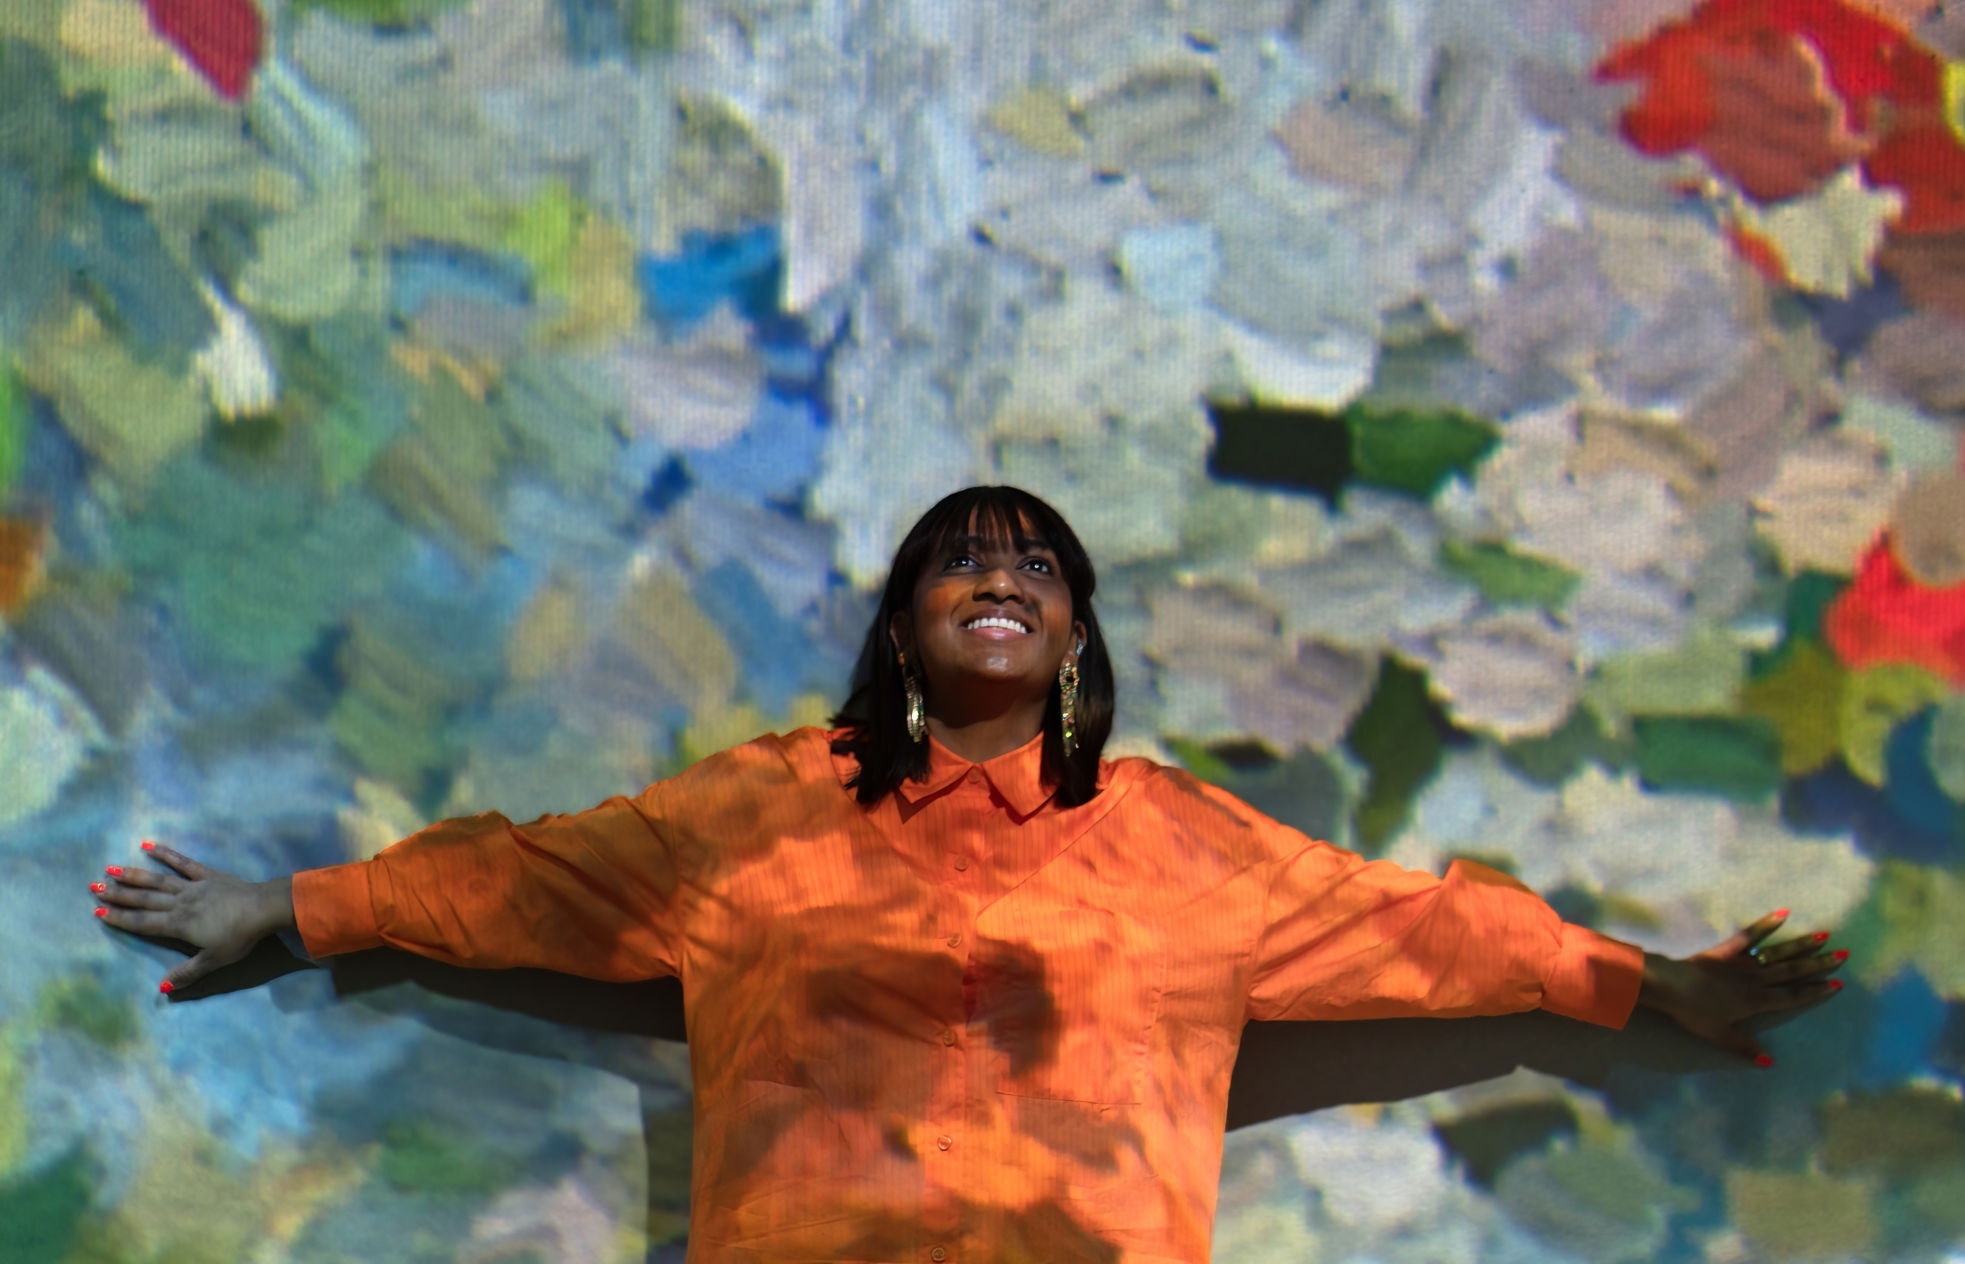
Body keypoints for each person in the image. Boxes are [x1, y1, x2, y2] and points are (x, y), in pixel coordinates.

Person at [91, 485, 1844, 1263]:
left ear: (1075, 630)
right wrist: (292, 906)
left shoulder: (1182, 840)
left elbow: (1424, 927)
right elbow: (525, 880)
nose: (997, 571)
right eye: (959, 558)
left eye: (1034, 562)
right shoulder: (760, 812)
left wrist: (1645, 983)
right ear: (904, 623)